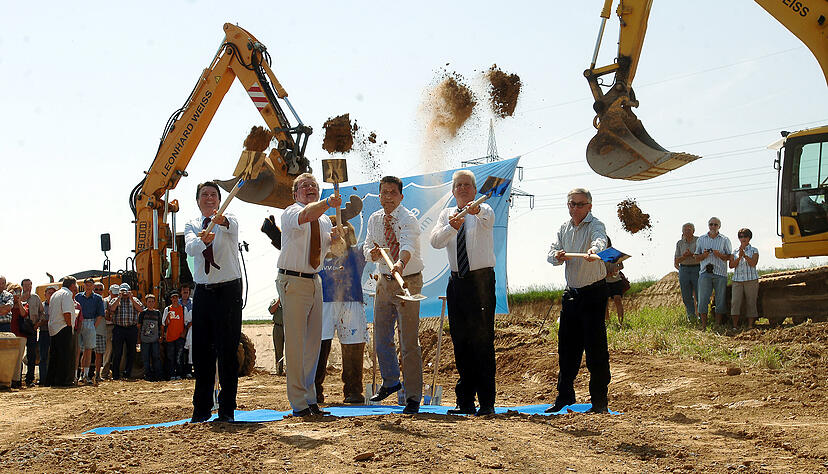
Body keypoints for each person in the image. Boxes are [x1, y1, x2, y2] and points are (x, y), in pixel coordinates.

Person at [276, 173, 343, 417]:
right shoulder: (291, 212)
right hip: (293, 280)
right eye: (304, 186)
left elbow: (328, 253)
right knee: (295, 343)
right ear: (295, 194)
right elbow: (306, 216)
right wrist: (328, 203)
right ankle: (298, 403)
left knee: (313, 344)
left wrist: (336, 241)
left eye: (314, 185)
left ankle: (310, 397)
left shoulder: (325, 220)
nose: (310, 188)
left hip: (315, 281)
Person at [430, 170, 497, 416]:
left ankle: (487, 402)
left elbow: (488, 218)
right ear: (452, 190)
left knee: (482, 342)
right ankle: (465, 400)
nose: (463, 188)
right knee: (461, 342)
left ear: (475, 189)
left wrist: (475, 210)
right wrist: (451, 226)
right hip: (457, 282)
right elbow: (435, 241)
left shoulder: (484, 209)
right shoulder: (446, 215)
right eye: (458, 185)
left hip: (481, 282)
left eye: (467, 185)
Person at [545, 188, 611, 414]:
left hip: (594, 294)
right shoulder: (564, 228)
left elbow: (600, 240)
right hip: (571, 294)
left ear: (589, 206)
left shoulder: (595, 225)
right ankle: (564, 396)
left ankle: (599, 401)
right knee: (566, 348)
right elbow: (550, 253)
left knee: (595, 349)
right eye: (572, 204)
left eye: (580, 204)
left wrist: (595, 250)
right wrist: (557, 255)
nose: (575, 208)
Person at [364, 176, 425, 415]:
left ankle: (412, 397)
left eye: (392, 192)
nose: (387, 197)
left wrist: (400, 263)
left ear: (401, 196)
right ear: (379, 196)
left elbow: (408, 245)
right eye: (383, 193)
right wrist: (374, 253)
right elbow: (366, 248)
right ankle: (390, 381)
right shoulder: (374, 219)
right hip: (384, 282)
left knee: (409, 341)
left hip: (408, 280)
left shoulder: (408, 219)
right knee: (381, 335)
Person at [184, 181, 244, 423]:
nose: (209, 198)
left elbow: (232, 226)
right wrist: (204, 240)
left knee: (227, 351)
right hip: (203, 292)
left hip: (228, 290)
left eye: (213, 195)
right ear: (198, 200)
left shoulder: (229, 218)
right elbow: (191, 248)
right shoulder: (192, 224)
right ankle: (201, 409)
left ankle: (227, 410)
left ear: (219, 200)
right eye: (204, 195)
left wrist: (221, 223)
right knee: (202, 353)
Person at [318, 217, 369, 405]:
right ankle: (314, 389)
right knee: (320, 345)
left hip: (351, 301)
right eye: (332, 228)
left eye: (341, 229)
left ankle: (354, 390)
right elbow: (294, 251)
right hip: (324, 302)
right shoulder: (318, 253)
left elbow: (373, 248)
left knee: (353, 344)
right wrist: (275, 235)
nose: (337, 232)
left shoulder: (356, 253)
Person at [694, 217, 732, 329]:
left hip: (720, 273)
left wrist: (719, 255)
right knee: (702, 300)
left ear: (719, 226)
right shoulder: (701, 239)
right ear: (708, 225)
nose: (713, 227)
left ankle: (717, 324)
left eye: (715, 224)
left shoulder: (725, 240)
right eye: (711, 224)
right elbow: (696, 257)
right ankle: (704, 325)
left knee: (720, 300)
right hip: (705, 272)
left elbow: (729, 257)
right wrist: (704, 255)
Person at [45, 277, 78, 387]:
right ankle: (64, 381)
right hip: (63, 327)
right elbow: (67, 313)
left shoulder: (56, 294)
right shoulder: (67, 294)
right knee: (65, 356)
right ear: (72, 285)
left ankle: (51, 380)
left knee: (55, 356)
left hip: (54, 328)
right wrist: (69, 326)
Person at [109, 282, 143, 380]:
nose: (124, 293)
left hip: (131, 328)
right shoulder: (115, 300)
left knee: (131, 352)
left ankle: (127, 373)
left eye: (126, 291)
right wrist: (119, 298)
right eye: (122, 291)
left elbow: (141, 309)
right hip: (119, 328)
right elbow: (111, 309)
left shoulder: (134, 299)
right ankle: (115, 374)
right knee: (117, 352)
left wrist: (131, 298)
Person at [75, 278, 105, 385]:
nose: (88, 286)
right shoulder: (78, 297)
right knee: (77, 350)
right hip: (79, 322)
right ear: (84, 285)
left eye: (90, 285)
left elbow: (100, 315)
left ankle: (86, 375)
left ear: (93, 286)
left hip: (90, 322)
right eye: (86, 284)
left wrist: (93, 326)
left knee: (88, 350)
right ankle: (75, 375)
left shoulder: (97, 298)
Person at [729, 228, 760, 329]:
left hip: (751, 280)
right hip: (737, 280)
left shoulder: (754, 250)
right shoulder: (734, 251)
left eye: (745, 236)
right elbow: (731, 265)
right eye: (741, 237)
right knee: (735, 302)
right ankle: (735, 325)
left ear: (749, 238)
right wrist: (739, 257)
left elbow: (753, 263)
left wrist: (745, 256)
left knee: (751, 302)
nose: (743, 239)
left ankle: (750, 325)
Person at [674, 223, 700, 324]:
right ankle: (691, 317)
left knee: (699, 295)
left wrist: (692, 255)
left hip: (697, 269)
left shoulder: (699, 241)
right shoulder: (679, 243)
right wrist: (685, 256)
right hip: (684, 269)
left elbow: (702, 256)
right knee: (686, 295)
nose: (687, 232)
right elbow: (677, 260)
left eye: (689, 230)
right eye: (685, 230)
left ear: (693, 231)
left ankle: (702, 317)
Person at [21, 279, 43, 386]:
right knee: (19, 354)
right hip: (20, 329)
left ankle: (30, 378)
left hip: (33, 329)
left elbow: (41, 312)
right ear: (22, 286)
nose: (27, 287)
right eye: (25, 285)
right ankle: (18, 378)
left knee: (32, 354)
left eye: (29, 285)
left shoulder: (36, 298)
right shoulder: (18, 298)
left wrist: (38, 324)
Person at [162, 290, 188, 380]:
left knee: (179, 357)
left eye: (176, 297)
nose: (175, 299)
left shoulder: (183, 309)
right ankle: (172, 374)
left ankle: (180, 374)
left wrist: (184, 333)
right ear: (171, 299)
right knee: (170, 357)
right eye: (173, 298)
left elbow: (187, 322)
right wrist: (168, 318)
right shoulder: (167, 309)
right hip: (170, 337)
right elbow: (164, 324)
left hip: (179, 337)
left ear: (178, 298)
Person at [8, 283, 29, 389]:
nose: (17, 294)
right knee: (8, 358)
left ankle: (16, 380)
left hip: (20, 335)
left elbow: (23, 314)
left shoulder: (24, 304)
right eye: (15, 291)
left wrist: (19, 301)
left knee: (18, 359)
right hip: (9, 334)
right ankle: (7, 379)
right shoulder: (7, 303)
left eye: (18, 292)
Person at [138, 294, 163, 381]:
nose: (151, 303)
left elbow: (161, 326)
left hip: (155, 339)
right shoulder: (143, 313)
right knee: (146, 358)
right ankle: (148, 375)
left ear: (154, 303)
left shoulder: (157, 313)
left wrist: (161, 336)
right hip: (145, 339)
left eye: (152, 301)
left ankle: (158, 375)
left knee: (156, 357)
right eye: (149, 301)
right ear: (146, 302)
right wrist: (139, 339)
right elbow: (139, 326)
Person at [38, 286, 57, 384]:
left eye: (53, 293)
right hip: (44, 333)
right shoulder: (41, 306)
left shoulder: (58, 305)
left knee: (54, 357)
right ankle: (43, 380)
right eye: (49, 293)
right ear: (45, 294)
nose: (51, 294)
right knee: (43, 357)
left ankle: (53, 379)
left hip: (55, 333)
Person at [101, 284, 119, 379]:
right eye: (114, 293)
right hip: (108, 326)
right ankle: (104, 372)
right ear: (109, 292)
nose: (115, 296)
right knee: (108, 350)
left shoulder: (119, 301)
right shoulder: (105, 301)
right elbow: (106, 315)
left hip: (117, 326)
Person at [604, 259, 625, 326]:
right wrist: (607, 274)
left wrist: (617, 268)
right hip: (605, 281)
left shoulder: (616, 254)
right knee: (605, 303)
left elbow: (621, 266)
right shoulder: (601, 254)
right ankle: (607, 322)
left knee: (618, 300)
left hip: (616, 280)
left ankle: (621, 323)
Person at [179, 284, 194, 378]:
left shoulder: (193, 303)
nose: (185, 294)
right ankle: (181, 371)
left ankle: (189, 370)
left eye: (187, 292)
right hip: (179, 329)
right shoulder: (177, 303)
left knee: (191, 351)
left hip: (191, 329)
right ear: (181, 292)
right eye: (183, 292)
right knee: (180, 351)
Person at [268, 298, 285, 376]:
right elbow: (271, 311)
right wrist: (279, 301)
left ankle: (291, 370)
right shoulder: (275, 301)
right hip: (278, 327)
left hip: (289, 328)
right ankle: (279, 370)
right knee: (278, 350)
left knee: (291, 350)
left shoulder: (291, 300)